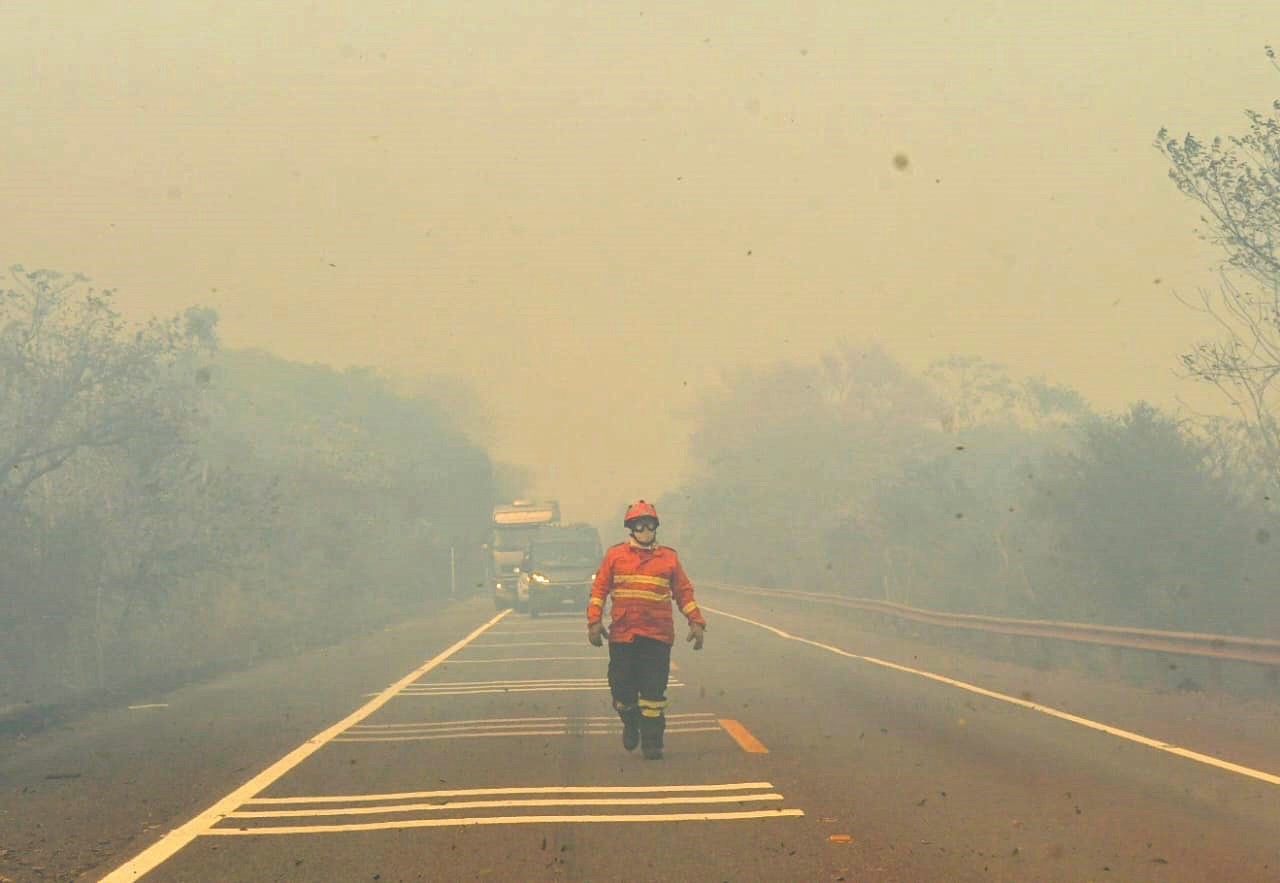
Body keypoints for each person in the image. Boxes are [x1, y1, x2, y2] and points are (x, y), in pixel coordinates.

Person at [586, 500, 706, 760]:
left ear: (655, 526)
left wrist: (696, 621)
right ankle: (630, 722)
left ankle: (652, 742)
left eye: (649, 524)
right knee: (622, 690)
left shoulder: (669, 559)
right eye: (638, 525)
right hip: (623, 635)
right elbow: (599, 591)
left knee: (653, 693)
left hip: (657, 636)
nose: (644, 529)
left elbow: (683, 593)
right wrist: (594, 622)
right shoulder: (615, 556)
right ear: (630, 528)